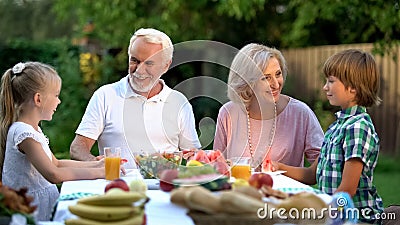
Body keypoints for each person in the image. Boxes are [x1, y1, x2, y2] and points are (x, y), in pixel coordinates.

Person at [273, 49, 384, 224]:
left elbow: (347, 190)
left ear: (353, 88)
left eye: (331, 81)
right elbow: (312, 174)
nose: (325, 87)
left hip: (356, 218)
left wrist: (321, 214)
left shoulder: (358, 128)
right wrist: (277, 166)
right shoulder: (336, 127)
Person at [70, 28, 201, 168]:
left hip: (164, 188)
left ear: (166, 66)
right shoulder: (106, 96)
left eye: (149, 63)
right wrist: (95, 163)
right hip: (116, 186)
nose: (139, 70)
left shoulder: (178, 102)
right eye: (134, 61)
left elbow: (193, 155)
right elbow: (78, 148)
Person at [0, 62, 105, 221]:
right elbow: (53, 174)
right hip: (32, 210)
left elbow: (55, 163)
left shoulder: (32, 129)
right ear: (38, 99)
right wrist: (99, 173)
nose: (59, 101)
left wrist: (96, 164)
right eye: (56, 95)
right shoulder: (23, 133)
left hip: (39, 204)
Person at [213, 43, 323, 170]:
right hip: (240, 189)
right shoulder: (228, 113)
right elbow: (217, 165)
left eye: (278, 74)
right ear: (248, 82)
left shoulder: (300, 113)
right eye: (266, 78)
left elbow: (324, 163)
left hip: (284, 190)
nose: (276, 84)